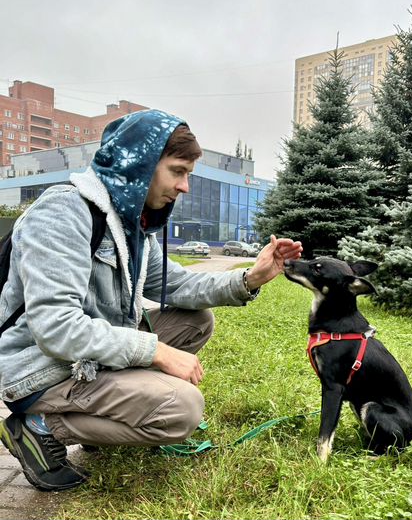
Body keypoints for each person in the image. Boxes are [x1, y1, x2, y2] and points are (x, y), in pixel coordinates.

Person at [0, 109, 302, 492]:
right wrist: (156, 350)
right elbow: (56, 328)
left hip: (90, 359)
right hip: (43, 370)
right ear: (139, 165)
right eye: (178, 171)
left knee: (197, 320)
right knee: (181, 409)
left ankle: (99, 415)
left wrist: (249, 278)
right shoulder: (64, 212)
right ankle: (40, 427)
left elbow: (178, 284)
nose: (185, 187)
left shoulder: (133, 224)